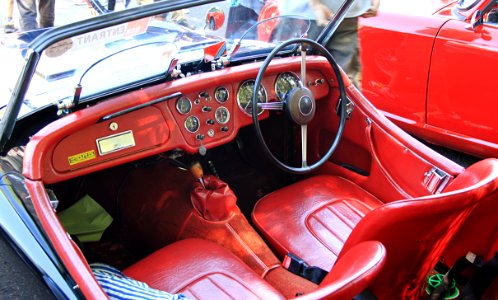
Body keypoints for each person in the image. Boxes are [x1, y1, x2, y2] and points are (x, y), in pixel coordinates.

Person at [310, 0, 380, 89]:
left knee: (346, 82)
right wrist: (316, 5)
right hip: (311, 16)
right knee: (301, 75)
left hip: (346, 13)